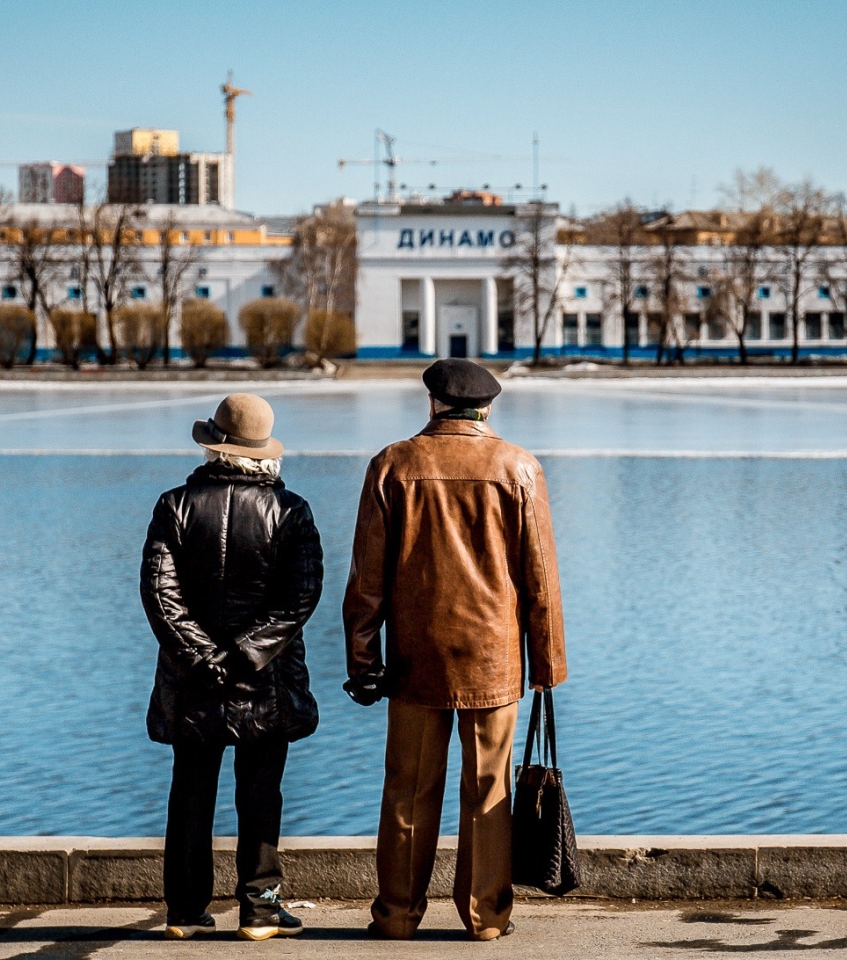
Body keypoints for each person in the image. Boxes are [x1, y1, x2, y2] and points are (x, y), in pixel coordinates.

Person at [343, 359, 568, 941]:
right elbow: (540, 577)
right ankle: (486, 918)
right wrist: (546, 663)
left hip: (416, 658)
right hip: (493, 658)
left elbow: (367, 579)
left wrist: (364, 662)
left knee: (408, 791)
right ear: (487, 408)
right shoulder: (519, 467)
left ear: (433, 404)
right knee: (488, 788)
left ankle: (395, 917)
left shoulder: (392, 465)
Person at [140, 393, 323, 941]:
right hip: (265, 680)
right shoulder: (291, 510)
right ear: (264, 453)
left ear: (212, 446)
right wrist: (246, 655)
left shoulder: (173, 504)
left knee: (191, 790)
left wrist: (202, 656)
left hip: (190, 677)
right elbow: (301, 596)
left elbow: (159, 593)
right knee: (261, 792)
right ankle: (260, 909)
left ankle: (184, 911)